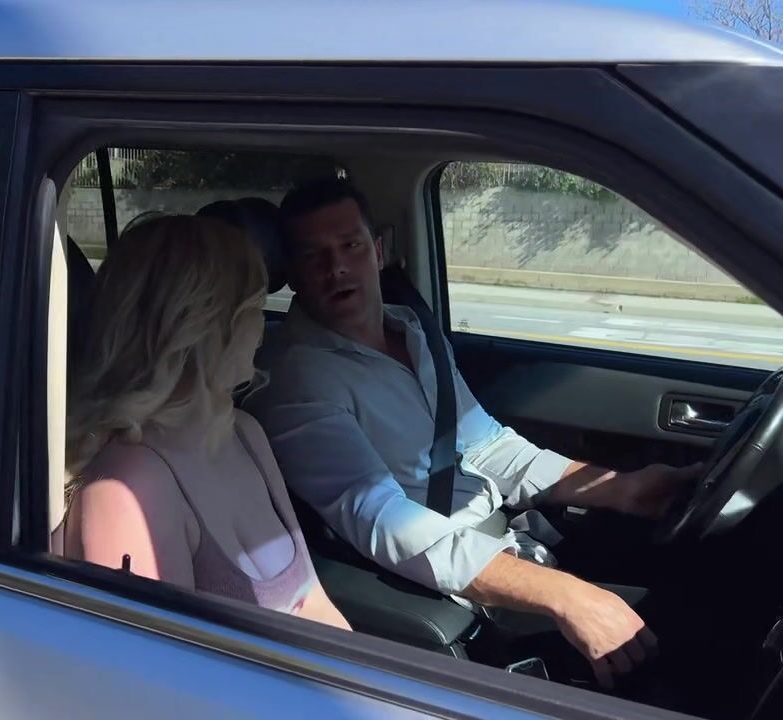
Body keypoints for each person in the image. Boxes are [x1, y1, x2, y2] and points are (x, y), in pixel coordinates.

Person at [244, 176, 701, 689]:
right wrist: (562, 595)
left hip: (514, 542)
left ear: (378, 250)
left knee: (691, 581)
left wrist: (623, 488)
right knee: (687, 640)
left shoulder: (411, 328)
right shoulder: (297, 380)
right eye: (314, 256)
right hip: (458, 597)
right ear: (293, 275)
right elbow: (381, 519)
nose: (337, 268)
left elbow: (488, 445)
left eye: (350, 246)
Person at [62, 214, 351, 631]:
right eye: (255, 309)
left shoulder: (244, 433)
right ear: (203, 328)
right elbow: (152, 664)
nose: (262, 329)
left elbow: (315, 603)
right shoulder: (129, 487)